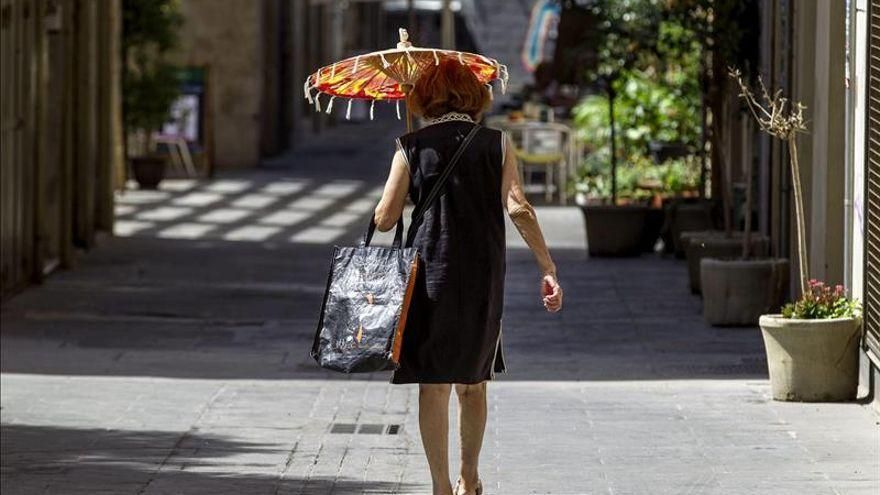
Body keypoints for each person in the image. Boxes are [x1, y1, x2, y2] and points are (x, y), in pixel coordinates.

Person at [374, 59, 563, 495]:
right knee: (474, 382)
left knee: (434, 384)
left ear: (426, 99)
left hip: (428, 276)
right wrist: (547, 268)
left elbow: (385, 220)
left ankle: (441, 487)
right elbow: (518, 207)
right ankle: (470, 479)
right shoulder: (496, 144)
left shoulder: (410, 145)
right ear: (474, 96)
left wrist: (407, 174)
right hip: (482, 276)